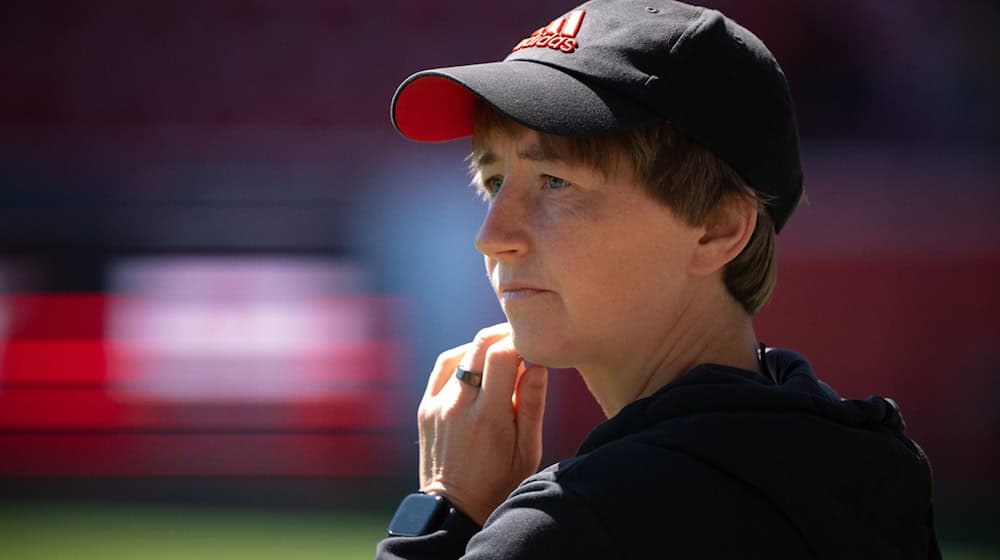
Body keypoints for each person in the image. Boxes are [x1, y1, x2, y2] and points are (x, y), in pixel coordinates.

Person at [377, 0, 940, 557]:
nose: (492, 235)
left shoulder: (576, 525)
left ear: (717, 227)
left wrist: (444, 508)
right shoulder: (876, 466)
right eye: (495, 181)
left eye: (555, 181)